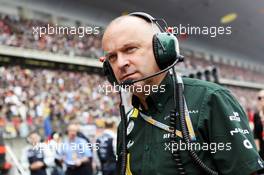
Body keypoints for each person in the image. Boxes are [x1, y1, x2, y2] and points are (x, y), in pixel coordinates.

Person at [101, 12, 264, 175]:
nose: (121, 63)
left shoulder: (211, 99)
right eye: (112, 57)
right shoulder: (126, 125)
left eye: (130, 49)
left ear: (162, 49)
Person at [254, 90, 264, 159]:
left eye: (262, 97)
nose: (261, 100)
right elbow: (256, 135)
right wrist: (258, 151)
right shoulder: (257, 115)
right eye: (259, 98)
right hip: (262, 151)